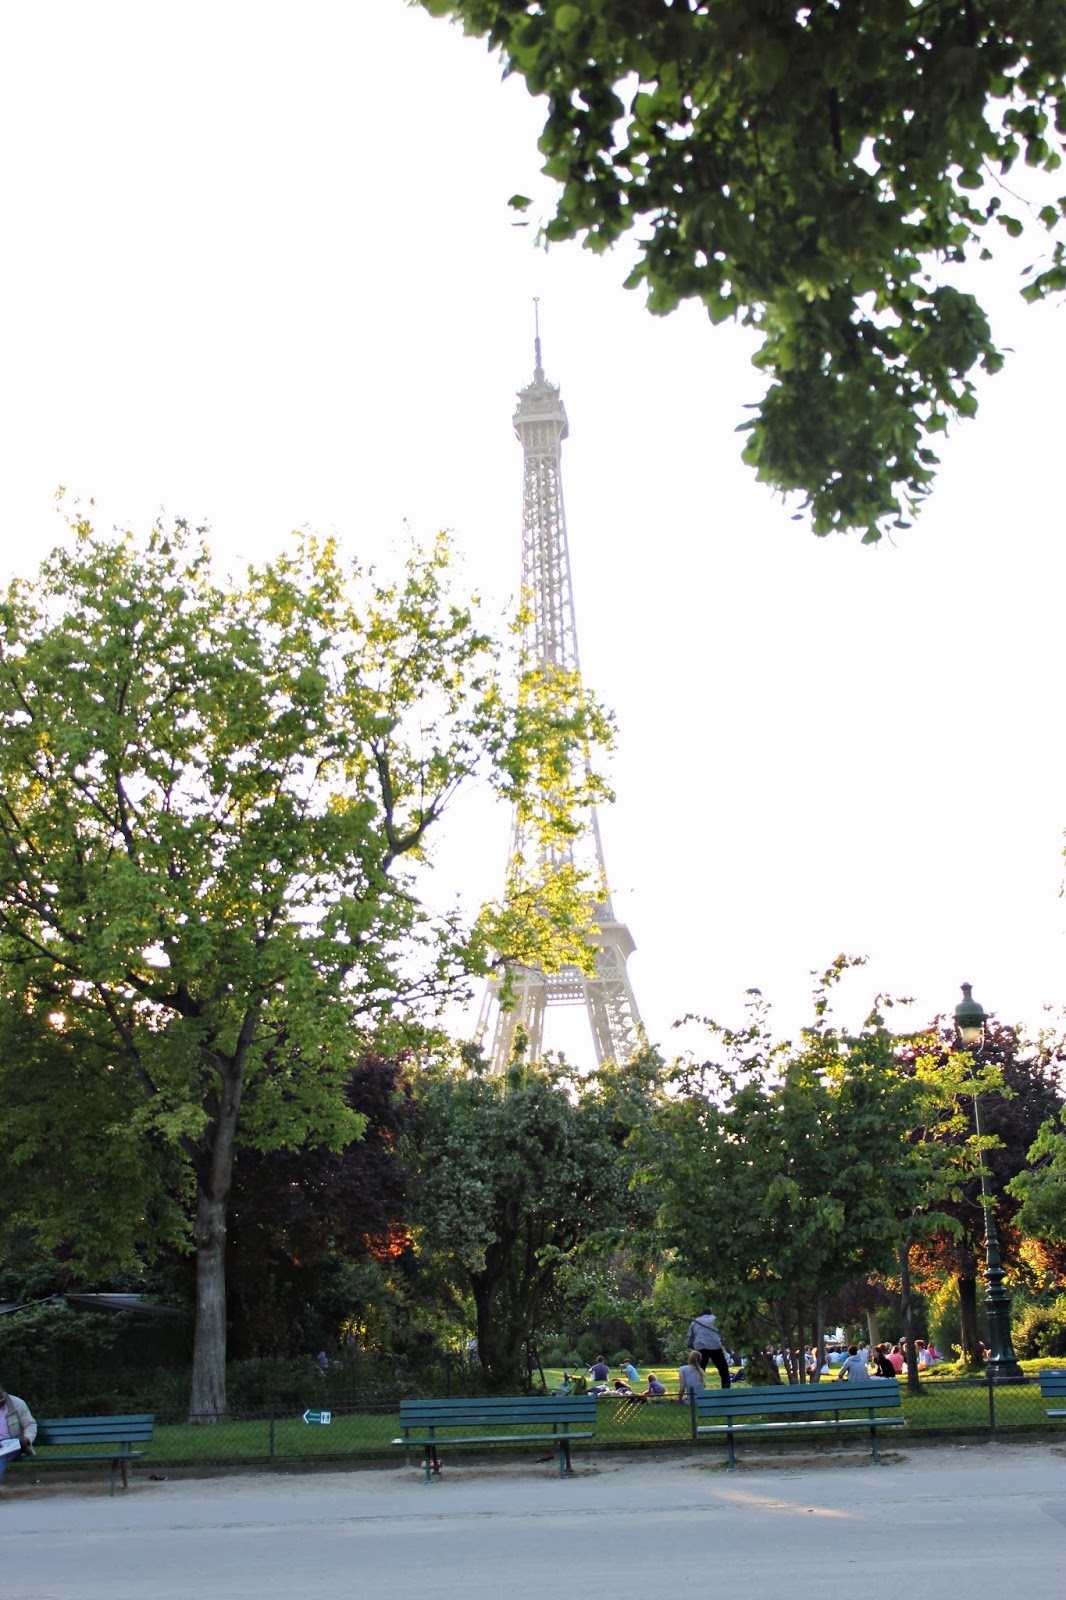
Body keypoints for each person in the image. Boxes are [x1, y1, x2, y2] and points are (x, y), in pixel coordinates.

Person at [0, 1383, 36, 1486]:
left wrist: (28, 1438)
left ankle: (23, 1447)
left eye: (1, 1400)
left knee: (1, 1455)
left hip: (14, 1443)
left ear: (4, 1393)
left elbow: (30, 1424)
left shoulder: (17, 1403)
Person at [685, 1309, 731, 1389]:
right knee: (723, 1369)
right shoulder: (716, 1320)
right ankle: (726, 1388)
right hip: (715, 1346)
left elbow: (689, 1340)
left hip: (700, 1346)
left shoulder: (695, 1321)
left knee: (698, 1370)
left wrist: (693, 1347)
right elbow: (723, 1334)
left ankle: (698, 1390)